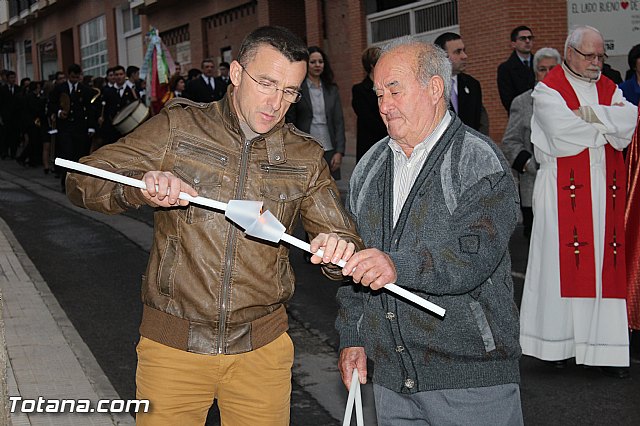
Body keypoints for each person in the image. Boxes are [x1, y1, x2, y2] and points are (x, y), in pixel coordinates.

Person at [65, 26, 363, 425]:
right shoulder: (178, 128)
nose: (277, 103)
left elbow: (342, 236)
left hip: (262, 354)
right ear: (236, 73)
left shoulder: (305, 156)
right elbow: (81, 180)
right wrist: (140, 188)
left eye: (290, 91)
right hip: (173, 349)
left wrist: (339, 248)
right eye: (267, 84)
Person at [336, 37, 523, 425]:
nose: (384, 105)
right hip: (388, 383)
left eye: (394, 90)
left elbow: (472, 254)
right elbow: (355, 263)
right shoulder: (369, 168)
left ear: (435, 88)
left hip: (470, 384)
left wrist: (395, 264)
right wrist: (353, 336)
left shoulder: (477, 160)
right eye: (378, 93)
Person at [519, 25, 637, 379]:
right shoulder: (547, 90)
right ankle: (556, 346)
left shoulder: (610, 87)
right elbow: (562, 134)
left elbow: (629, 121)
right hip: (562, 190)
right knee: (559, 267)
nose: (597, 62)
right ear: (570, 52)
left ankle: (605, 351)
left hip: (604, 190)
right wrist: (605, 125)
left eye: (601, 56)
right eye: (590, 55)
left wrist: (590, 118)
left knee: (605, 267)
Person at [501, 47, 561, 239]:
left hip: (568, 186)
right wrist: (531, 165)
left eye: (553, 68)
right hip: (535, 186)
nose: (548, 74)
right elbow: (510, 142)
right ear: (536, 73)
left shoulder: (571, 101)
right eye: (543, 69)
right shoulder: (523, 102)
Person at [285, 46, 345, 180]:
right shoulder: (298, 89)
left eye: (320, 62)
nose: (317, 65)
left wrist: (339, 151)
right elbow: (290, 121)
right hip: (306, 145)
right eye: (313, 62)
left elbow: (339, 121)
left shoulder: (332, 89)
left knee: (330, 185)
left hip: (329, 146)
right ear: (306, 64)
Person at [48, 63, 96, 191]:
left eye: (77, 77)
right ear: (69, 75)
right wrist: (59, 112)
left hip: (80, 127)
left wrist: (91, 127)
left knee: (79, 155)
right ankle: (66, 182)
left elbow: (91, 109)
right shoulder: (59, 88)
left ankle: (78, 183)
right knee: (66, 154)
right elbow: (51, 104)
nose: (75, 79)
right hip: (65, 127)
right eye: (73, 77)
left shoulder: (85, 90)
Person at [434, 32, 489, 135]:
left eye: (464, 50)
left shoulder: (473, 85)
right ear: (442, 56)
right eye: (458, 52)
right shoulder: (428, 86)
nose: (465, 56)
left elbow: (480, 121)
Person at [352, 46, 387, 162]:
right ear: (372, 65)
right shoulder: (359, 90)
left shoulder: (388, 87)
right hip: (370, 145)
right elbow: (368, 119)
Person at [497, 25, 536, 113]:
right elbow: (507, 100)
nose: (527, 41)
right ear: (513, 44)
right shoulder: (505, 69)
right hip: (519, 116)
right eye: (523, 38)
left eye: (530, 38)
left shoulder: (540, 64)